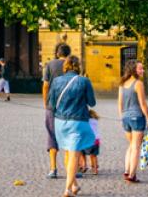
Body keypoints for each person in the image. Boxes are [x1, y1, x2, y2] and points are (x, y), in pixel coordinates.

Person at [48, 55, 96, 197]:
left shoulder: (56, 81)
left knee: (68, 153)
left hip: (60, 122)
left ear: (66, 66)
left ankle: (74, 185)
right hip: (77, 121)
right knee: (74, 155)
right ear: (78, 67)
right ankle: (67, 189)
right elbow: (92, 102)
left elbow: (51, 104)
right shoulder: (84, 81)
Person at [119, 60, 148, 183]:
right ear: (133, 69)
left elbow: (120, 103)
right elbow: (143, 104)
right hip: (137, 117)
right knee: (136, 147)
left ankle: (127, 170)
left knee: (131, 145)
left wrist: (121, 116)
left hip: (126, 118)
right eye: (140, 68)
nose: (142, 70)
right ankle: (132, 175)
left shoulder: (122, 83)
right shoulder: (138, 84)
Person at [42, 42, 71, 180]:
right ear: (68, 53)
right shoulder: (72, 64)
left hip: (52, 105)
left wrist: (46, 103)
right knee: (69, 136)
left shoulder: (50, 65)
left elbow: (45, 85)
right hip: (69, 105)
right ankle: (71, 169)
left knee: (52, 135)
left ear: (57, 53)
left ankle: (53, 169)